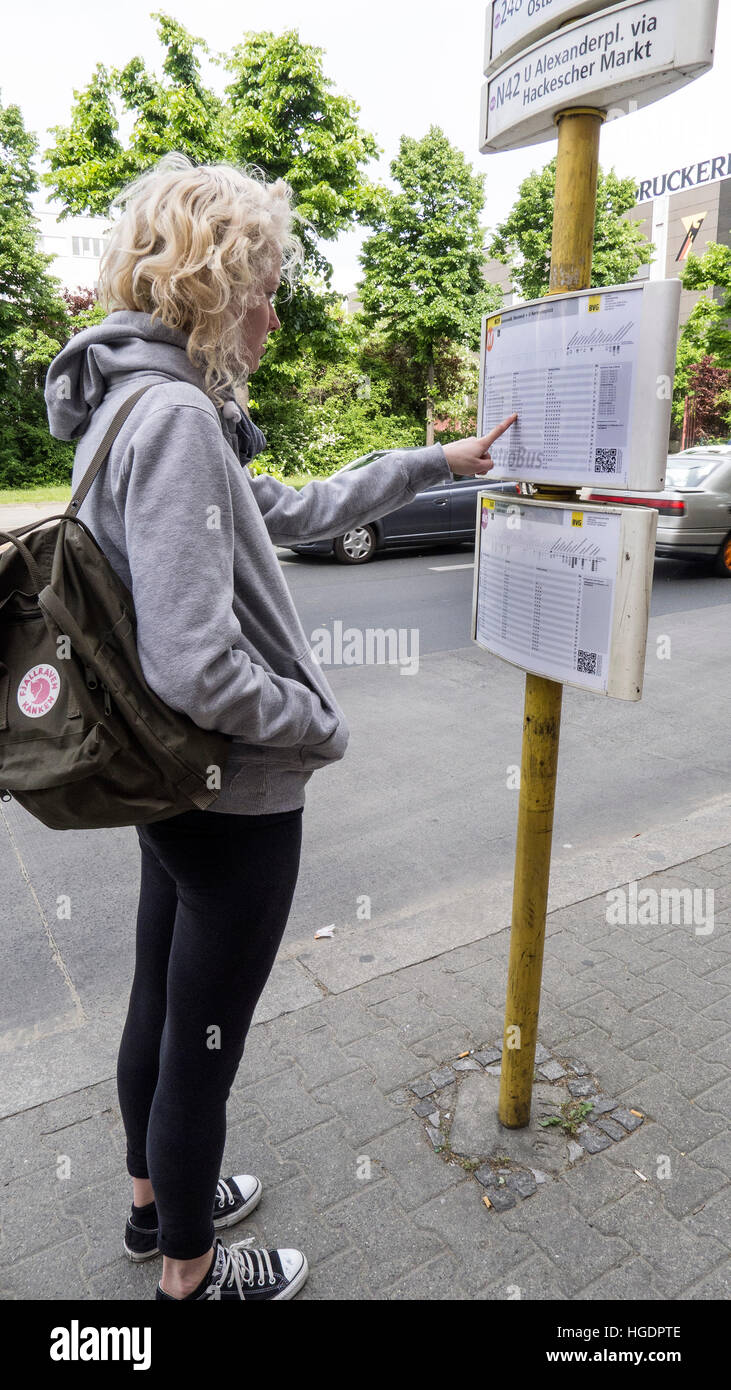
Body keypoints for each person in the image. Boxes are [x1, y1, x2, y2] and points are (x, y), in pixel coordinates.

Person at [44, 152, 517, 1302]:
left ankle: (158, 1210)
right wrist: (310, 721)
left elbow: (295, 512)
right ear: (208, 290)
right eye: (260, 287)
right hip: (230, 793)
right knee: (204, 1049)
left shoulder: (128, 407)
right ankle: (193, 1281)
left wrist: (431, 463)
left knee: (160, 997)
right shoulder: (179, 425)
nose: (270, 311)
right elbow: (198, 660)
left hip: (168, 787)